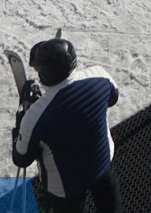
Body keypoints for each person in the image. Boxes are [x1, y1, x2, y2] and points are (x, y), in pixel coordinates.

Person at [13, 35, 121, 213]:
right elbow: (112, 98)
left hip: (65, 187)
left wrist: (21, 120)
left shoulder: (35, 117)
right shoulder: (100, 75)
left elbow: (22, 158)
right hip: (102, 163)